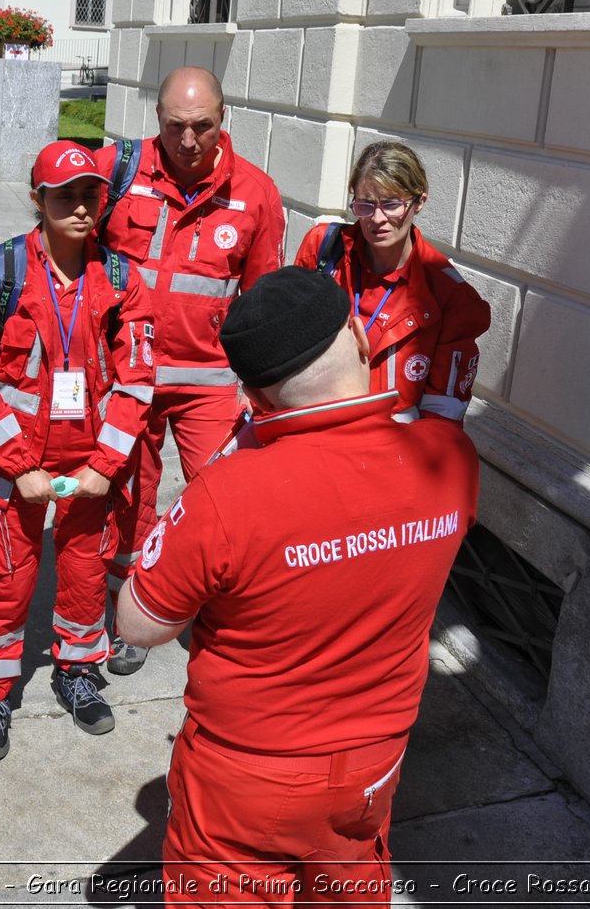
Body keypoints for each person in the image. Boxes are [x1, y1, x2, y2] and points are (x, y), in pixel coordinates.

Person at [116, 266, 479, 904]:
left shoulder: (226, 495)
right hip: (374, 762)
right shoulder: (450, 458)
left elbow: (139, 625)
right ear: (362, 340)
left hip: (245, 772)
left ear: (254, 396)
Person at [0, 141, 155, 762]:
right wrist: (21, 468)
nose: (80, 207)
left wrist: (103, 468)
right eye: (64, 195)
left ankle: (78, 671)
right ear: (38, 199)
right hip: (14, 471)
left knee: (86, 578)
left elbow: (137, 381)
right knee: (7, 580)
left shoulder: (121, 279)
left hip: (91, 468)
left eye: (90, 194)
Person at [94, 65, 285, 675]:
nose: (189, 140)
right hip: (131, 380)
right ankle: (128, 611)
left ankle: (216, 607)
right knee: (130, 501)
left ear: (223, 119)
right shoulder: (116, 173)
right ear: (157, 120)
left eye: (203, 125)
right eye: (176, 126)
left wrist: (265, 392)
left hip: (210, 385)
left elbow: (262, 302)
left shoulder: (256, 194)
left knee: (226, 502)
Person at [294, 140, 490, 424]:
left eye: (391, 204)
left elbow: (442, 421)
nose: (377, 219)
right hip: (316, 430)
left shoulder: (450, 296)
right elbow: (287, 343)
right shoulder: (323, 249)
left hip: (390, 453)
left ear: (419, 202)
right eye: (365, 204)